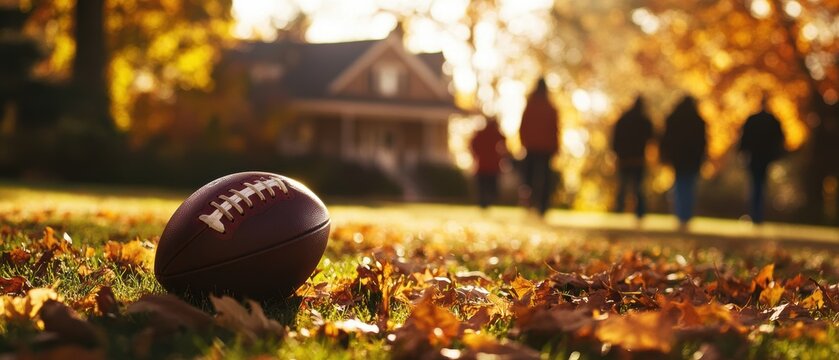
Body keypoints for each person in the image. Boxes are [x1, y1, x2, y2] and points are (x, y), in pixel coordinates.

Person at [660, 96, 707, 229]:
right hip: (692, 158)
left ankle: (680, 214)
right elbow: (702, 142)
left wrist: (665, 154)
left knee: (680, 185)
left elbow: (666, 138)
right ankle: (686, 215)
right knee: (689, 186)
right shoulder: (698, 120)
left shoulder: (673, 118)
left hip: (678, 157)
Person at [739, 96, 786, 224]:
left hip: (755, 156)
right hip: (765, 157)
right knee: (760, 184)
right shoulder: (773, 120)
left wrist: (742, 151)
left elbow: (744, 137)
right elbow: (780, 139)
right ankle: (757, 214)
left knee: (755, 184)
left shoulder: (753, 119)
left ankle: (755, 214)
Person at [519, 78, 559, 217]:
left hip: (531, 146)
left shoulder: (530, 106)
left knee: (529, 178)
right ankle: (543, 205)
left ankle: (529, 202)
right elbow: (555, 130)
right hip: (546, 148)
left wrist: (524, 142)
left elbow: (523, 127)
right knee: (545, 178)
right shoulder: (550, 107)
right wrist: (555, 147)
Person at [611, 96, 654, 219]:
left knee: (623, 186)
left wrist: (617, 152)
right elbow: (652, 136)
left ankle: (619, 210)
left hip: (624, 158)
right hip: (638, 159)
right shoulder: (644, 120)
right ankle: (640, 213)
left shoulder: (624, 119)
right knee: (639, 188)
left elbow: (615, 138)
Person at [469, 117, 508, 208]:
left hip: (482, 164)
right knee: (491, 186)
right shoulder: (495, 133)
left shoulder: (481, 133)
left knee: (482, 187)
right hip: (492, 165)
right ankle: (488, 201)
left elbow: (472, 144)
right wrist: (502, 154)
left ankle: (483, 202)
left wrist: (476, 154)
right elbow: (504, 140)